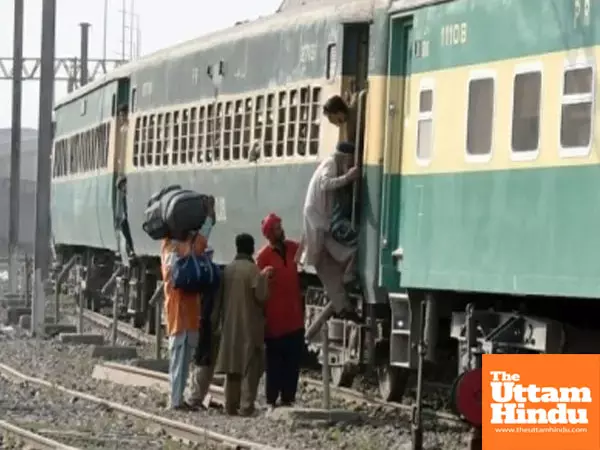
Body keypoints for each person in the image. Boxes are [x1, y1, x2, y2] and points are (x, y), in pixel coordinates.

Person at [299, 141, 361, 340]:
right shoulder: (331, 163)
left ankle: (343, 303)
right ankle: (343, 301)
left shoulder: (332, 163)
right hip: (317, 221)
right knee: (324, 263)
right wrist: (347, 178)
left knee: (335, 260)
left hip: (321, 222)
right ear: (344, 156)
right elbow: (325, 183)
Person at [161, 200, 216, 411]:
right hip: (178, 314)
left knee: (184, 359)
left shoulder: (183, 247)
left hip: (189, 314)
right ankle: (175, 400)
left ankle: (178, 398)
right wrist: (208, 219)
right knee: (178, 359)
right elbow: (175, 269)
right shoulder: (170, 248)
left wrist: (209, 218)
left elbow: (201, 241)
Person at [213, 233, 273, 416]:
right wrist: (265, 278)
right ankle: (246, 406)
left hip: (230, 326)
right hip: (249, 325)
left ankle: (230, 405)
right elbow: (261, 296)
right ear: (252, 248)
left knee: (232, 367)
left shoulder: (228, 270)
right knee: (250, 367)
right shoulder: (253, 270)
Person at [256, 213, 305, 410]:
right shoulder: (263, 257)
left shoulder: (292, 248)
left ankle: (288, 398)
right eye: (277, 228)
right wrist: (263, 276)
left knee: (293, 362)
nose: (281, 230)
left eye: (280, 226)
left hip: (294, 318)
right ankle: (271, 399)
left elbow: (306, 249)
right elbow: (257, 286)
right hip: (274, 321)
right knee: (274, 364)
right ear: (269, 233)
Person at [187, 246, 221, 409]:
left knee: (197, 358)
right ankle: (196, 397)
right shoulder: (214, 272)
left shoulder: (193, 270)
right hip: (207, 321)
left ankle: (194, 396)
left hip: (193, 318)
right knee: (204, 359)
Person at [115, 176, 135, 257]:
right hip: (131, 217)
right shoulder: (124, 198)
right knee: (123, 225)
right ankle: (131, 247)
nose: (123, 188)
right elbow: (126, 211)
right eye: (121, 187)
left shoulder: (134, 192)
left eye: (124, 185)